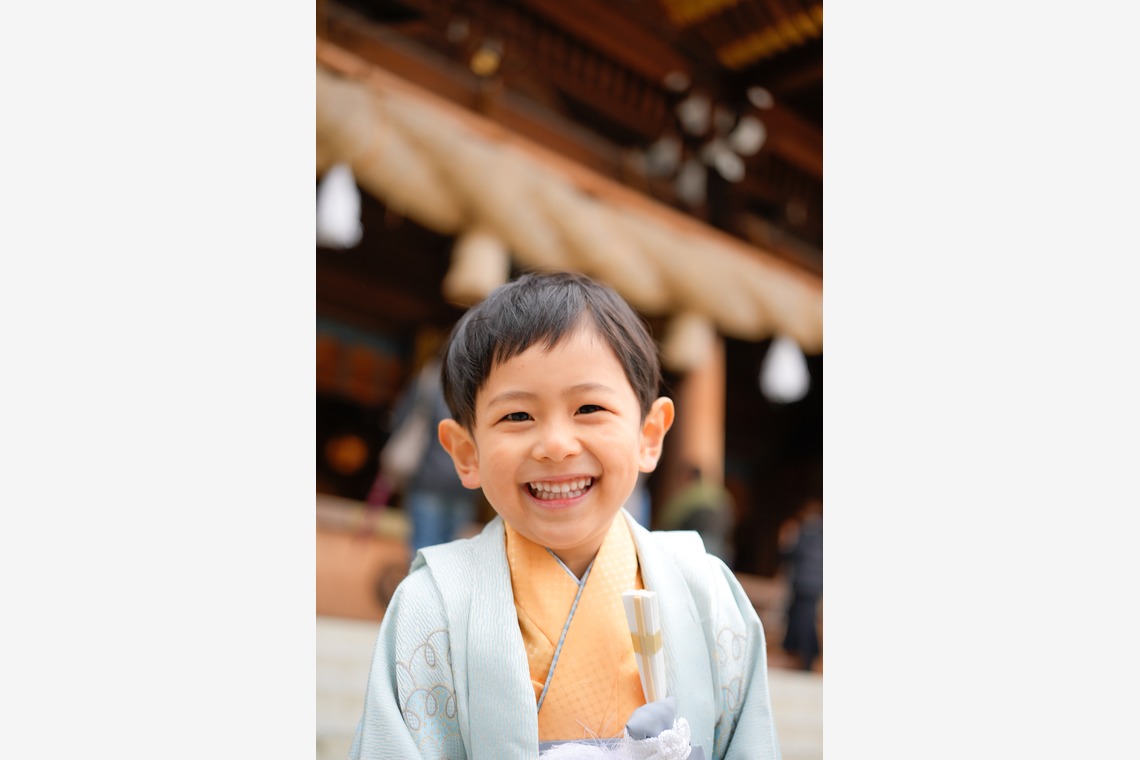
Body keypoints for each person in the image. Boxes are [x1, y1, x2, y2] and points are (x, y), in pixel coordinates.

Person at [348, 272, 780, 759]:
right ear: (466, 453)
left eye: (589, 407)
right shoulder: (430, 606)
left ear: (649, 435)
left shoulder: (708, 592)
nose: (555, 445)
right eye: (517, 416)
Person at [386, 355, 482, 553]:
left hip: (428, 478)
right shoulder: (481, 384)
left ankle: (422, 585)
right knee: (450, 554)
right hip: (467, 483)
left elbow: (400, 420)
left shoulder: (429, 381)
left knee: (424, 549)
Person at [658, 463, 735, 566]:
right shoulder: (716, 491)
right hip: (719, 547)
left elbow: (668, 520)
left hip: (694, 549)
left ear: (687, 477)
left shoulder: (686, 494)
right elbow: (731, 515)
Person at [779, 498, 823, 672]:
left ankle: (804, 656)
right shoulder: (822, 534)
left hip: (803, 584)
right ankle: (807, 655)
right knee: (805, 620)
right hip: (816, 585)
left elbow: (790, 554)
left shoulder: (804, 533)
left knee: (802, 621)